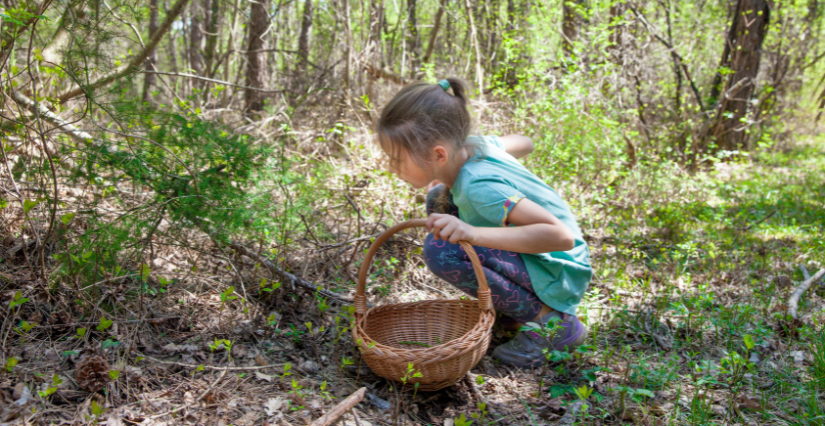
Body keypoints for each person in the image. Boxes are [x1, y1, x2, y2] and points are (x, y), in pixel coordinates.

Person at [375, 77, 592, 368]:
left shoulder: (479, 186)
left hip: (560, 268)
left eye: (397, 159)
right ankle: (514, 312)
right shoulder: (476, 147)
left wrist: (473, 232)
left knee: (443, 250)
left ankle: (553, 325)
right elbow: (525, 142)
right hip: (549, 257)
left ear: (439, 154)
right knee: (439, 199)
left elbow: (560, 236)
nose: (391, 168)